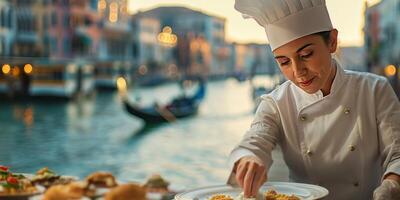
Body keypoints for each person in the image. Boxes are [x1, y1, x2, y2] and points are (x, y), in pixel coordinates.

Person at [227, 0, 400, 199]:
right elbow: (256, 138)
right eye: (284, 62)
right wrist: (249, 157)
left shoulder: (374, 90)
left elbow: (397, 153)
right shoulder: (276, 104)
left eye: (306, 54)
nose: (297, 71)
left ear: (332, 41)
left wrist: (392, 185)